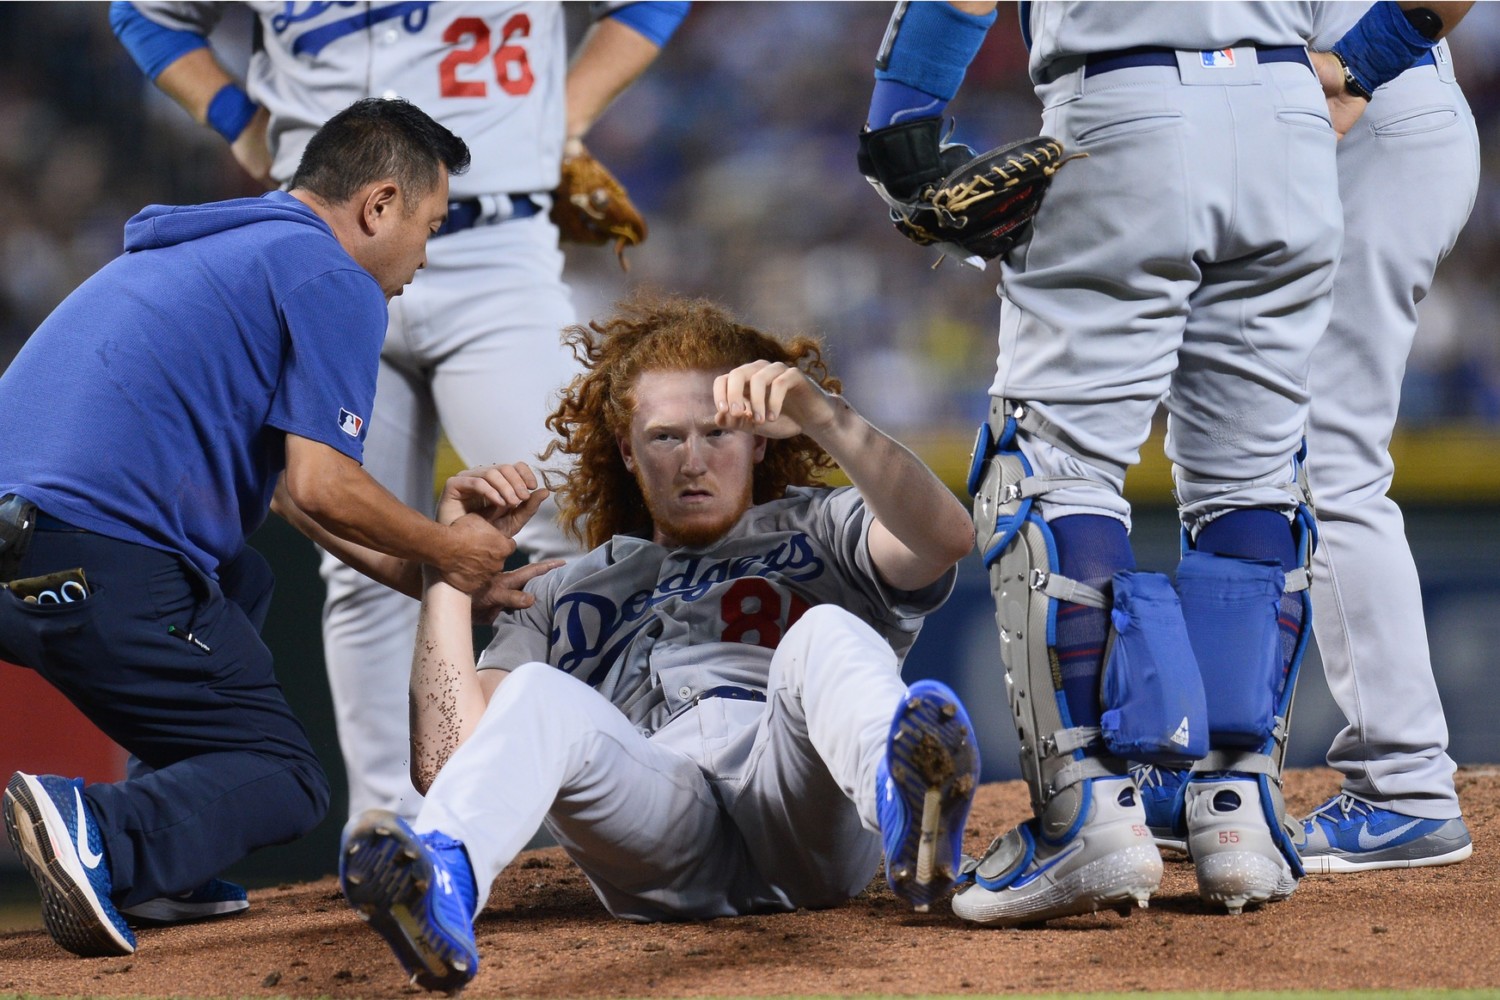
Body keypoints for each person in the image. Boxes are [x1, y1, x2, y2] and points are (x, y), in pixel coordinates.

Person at [111, 0, 689, 831]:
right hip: (327, 248)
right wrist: (235, 113)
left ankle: (585, 806)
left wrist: (570, 106)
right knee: (360, 554)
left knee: (572, 515)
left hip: (499, 247)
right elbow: (143, 12)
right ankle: (388, 824)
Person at [0, 98, 539, 959]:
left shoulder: (227, 244)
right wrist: (449, 547)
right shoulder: (332, 278)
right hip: (94, 553)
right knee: (287, 778)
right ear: (379, 205)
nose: (424, 257)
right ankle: (99, 825)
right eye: (429, 226)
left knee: (243, 578)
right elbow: (326, 484)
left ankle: (169, 862)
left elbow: (291, 498)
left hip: (33, 551)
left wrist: (425, 580)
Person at [336, 292, 980, 993]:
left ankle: (907, 811)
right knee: (535, 691)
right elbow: (451, 762)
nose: (693, 461)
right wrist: (447, 570)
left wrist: (824, 416)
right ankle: (441, 886)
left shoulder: (820, 526)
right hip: (660, 820)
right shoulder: (563, 589)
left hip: (799, 797)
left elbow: (946, 539)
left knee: (824, 630)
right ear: (628, 451)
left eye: (717, 434)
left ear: (759, 440)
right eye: (667, 437)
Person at [861, 1, 1344, 921]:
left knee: (1050, 460)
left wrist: (901, 122)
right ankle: (1235, 810)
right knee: (1252, 471)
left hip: (1128, 105)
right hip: (1290, 110)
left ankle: (1088, 813)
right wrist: (1357, 67)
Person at [1292, 1, 1478, 873]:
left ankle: (1404, 783)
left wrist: (1366, 57)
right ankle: (1222, 767)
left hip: (1376, 110)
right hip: (1316, 123)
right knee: (1248, 452)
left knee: (1330, 463)